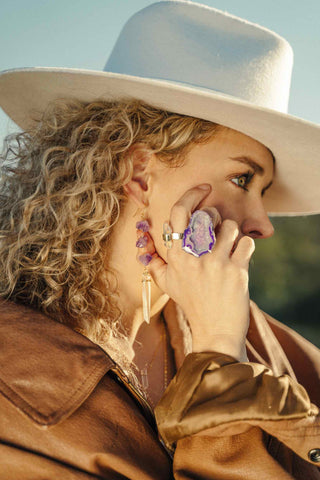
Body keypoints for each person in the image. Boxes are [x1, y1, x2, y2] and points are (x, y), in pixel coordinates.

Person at [0, 1, 319, 478]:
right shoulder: (14, 378)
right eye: (241, 180)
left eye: (264, 192)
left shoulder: (269, 341)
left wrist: (223, 342)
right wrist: (216, 353)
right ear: (139, 172)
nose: (262, 223)